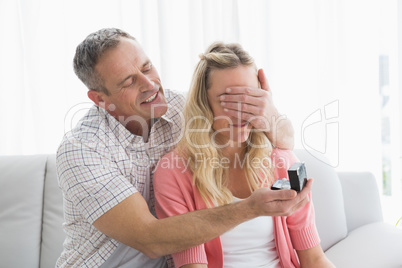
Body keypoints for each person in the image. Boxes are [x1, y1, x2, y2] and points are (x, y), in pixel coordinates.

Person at [56, 28, 308, 268]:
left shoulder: (183, 107)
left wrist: (270, 114)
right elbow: (150, 239)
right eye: (129, 81)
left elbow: (284, 142)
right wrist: (251, 208)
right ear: (101, 99)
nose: (149, 84)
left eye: (147, 67)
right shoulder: (82, 149)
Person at [154, 42, 335, 268]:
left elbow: (314, 259)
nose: (241, 112)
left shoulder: (281, 161)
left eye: (250, 100)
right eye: (227, 100)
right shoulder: (173, 173)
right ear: (204, 103)